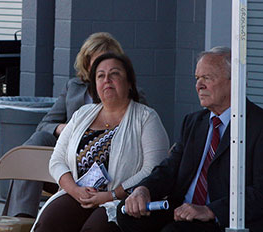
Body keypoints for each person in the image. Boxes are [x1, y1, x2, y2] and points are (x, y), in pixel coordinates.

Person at [118, 47, 263, 232]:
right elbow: (169, 169)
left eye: (207, 78)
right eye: (197, 78)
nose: (199, 85)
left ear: (235, 82)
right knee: (126, 213)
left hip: (228, 220)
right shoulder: (194, 122)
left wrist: (210, 210)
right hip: (183, 212)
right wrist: (144, 189)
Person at [32, 51, 169, 231]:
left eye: (114, 74)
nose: (107, 80)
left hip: (123, 200)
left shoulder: (146, 118)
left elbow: (153, 169)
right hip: (78, 194)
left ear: (129, 83)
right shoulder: (82, 114)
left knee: (96, 228)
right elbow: (57, 161)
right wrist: (75, 190)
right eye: (100, 76)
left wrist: (111, 195)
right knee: (50, 221)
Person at [4, 32, 125, 218]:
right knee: (38, 139)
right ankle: (21, 216)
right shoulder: (74, 88)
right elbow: (45, 124)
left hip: (105, 166)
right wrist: (66, 129)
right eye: (96, 61)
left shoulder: (127, 91)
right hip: (66, 164)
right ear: (87, 63)